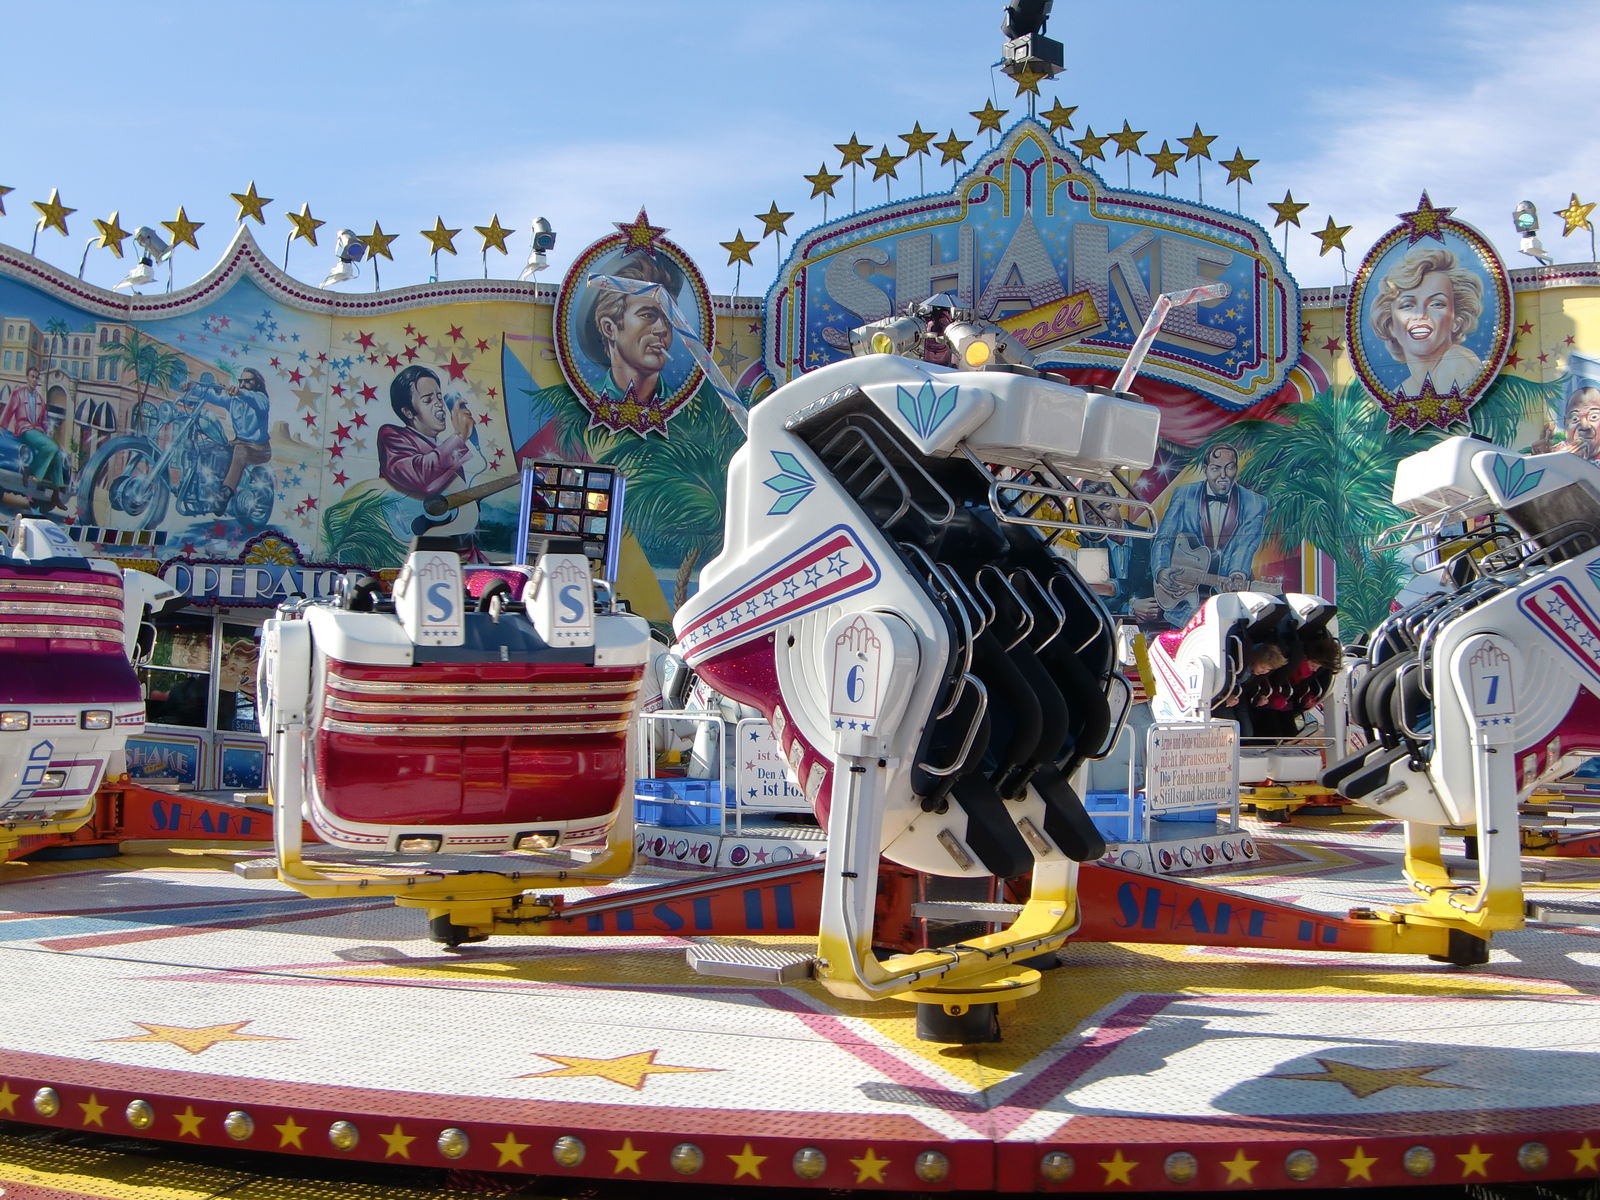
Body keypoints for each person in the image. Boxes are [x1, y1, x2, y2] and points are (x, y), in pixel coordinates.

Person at [1151, 443, 1268, 627]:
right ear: (1205, 469)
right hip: (1184, 604)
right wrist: (1161, 570)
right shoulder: (1184, 494)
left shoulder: (1255, 502)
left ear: (1236, 468)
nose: (1223, 475)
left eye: (1229, 468)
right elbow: (1165, 538)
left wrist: (1237, 574)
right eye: (1216, 468)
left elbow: (1246, 544)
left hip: (1226, 604)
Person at [378, 365, 486, 546]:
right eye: (428, 400)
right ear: (408, 412)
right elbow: (422, 477)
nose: (439, 404)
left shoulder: (445, 448)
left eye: (439, 397)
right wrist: (460, 437)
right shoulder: (391, 435)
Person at [1368, 246, 1485, 397]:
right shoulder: (1402, 391)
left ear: (1457, 320)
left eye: (1436, 304)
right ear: (1391, 325)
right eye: (1407, 305)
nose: (1420, 314)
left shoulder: (1458, 362)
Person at [590, 255, 676, 405]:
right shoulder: (585, 397)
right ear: (609, 328)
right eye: (648, 315)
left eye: (668, 320)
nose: (662, 329)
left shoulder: (685, 406)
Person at [1077, 479, 1163, 629]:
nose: (1102, 518)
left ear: (1118, 501)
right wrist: (1129, 606)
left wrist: (1115, 588)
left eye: (1105, 507)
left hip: (1151, 625)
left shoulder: (1148, 537)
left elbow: (1155, 584)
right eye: (1091, 515)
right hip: (1109, 626)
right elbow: (1094, 596)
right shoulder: (1088, 542)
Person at [206, 368, 273, 516]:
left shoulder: (261, 399)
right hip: (238, 443)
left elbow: (254, 399)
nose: (243, 384)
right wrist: (191, 389)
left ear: (257, 384)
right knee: (213, 447)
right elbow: (214, 398)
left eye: (247, 381)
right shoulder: (233, 400)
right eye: (241, 381)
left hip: (259, 448)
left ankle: (225, 493)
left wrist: (240, 392)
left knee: (240, 451)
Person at [0, 364, 67, 503]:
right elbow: (8, 411)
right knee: (52, 447)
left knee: (58, 453)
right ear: (27, 378)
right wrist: (1, 426)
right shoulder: (18, 394)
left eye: (37, 378)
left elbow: (44, 421)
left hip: (37, 432)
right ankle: (32, 471)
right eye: (32, 377)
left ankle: (57, 490)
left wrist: (47, 434)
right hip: (25, 430)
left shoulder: (40, 399)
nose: (34, 380)